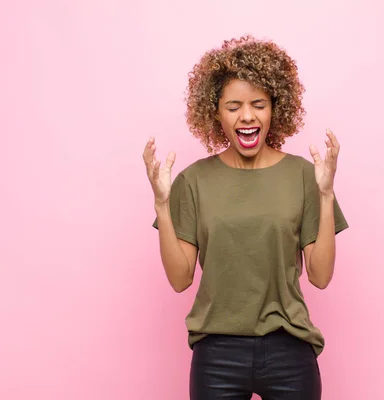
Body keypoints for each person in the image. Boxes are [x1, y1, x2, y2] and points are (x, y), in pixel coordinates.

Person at [142, 35, 348, 400]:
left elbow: (320, 276)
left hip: (290, 350)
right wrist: (162, 204)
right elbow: (179, 279)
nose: (248, 116)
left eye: (258, 104)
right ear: (215, 112)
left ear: (275, 109)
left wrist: (327, 195)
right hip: (217, 354)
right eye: (233, 106)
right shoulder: (194, 180)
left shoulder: (304, 176)